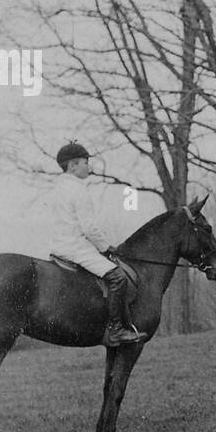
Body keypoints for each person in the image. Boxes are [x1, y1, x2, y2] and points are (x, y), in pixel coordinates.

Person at [50, 141, 144, 346]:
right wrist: (106, 247)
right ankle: (117, 330)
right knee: (118, 277)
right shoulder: (77, 189)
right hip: (76, 248)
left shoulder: (59, 187)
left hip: (60, 246)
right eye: (85, 162)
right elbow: (89, 228)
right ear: (72, 165)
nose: (88, 166)